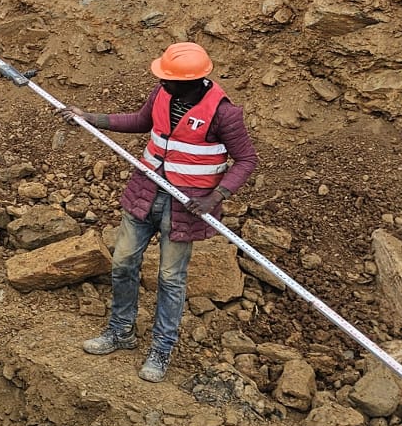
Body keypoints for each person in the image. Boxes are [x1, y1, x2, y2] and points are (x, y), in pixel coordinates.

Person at [63, 41, 258, 384]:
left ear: (192, 81)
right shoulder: (162, 95)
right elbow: (140, 121)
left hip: (186, 207)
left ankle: (162, 349)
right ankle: (120, 331)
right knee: (123, 261)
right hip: (145, 191)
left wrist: (215, 197)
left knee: (170, 278)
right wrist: (91, 118)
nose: (162, 83)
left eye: (169, 80)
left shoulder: (225, 113)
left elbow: (246, 160)